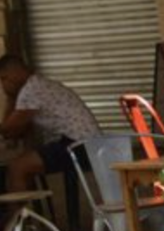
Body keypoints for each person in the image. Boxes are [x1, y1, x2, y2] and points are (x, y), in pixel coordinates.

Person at [1, 54, 103, 198]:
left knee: (17, 167)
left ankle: (18, 218)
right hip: (89, 144)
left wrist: (9, 98)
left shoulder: (31, 90)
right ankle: (27, 214)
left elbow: (8, 129)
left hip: (79, 145)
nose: (3, 85)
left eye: (3, 78)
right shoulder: (38, 84)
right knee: (24, 163)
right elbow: (13, 131)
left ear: (14, 72)